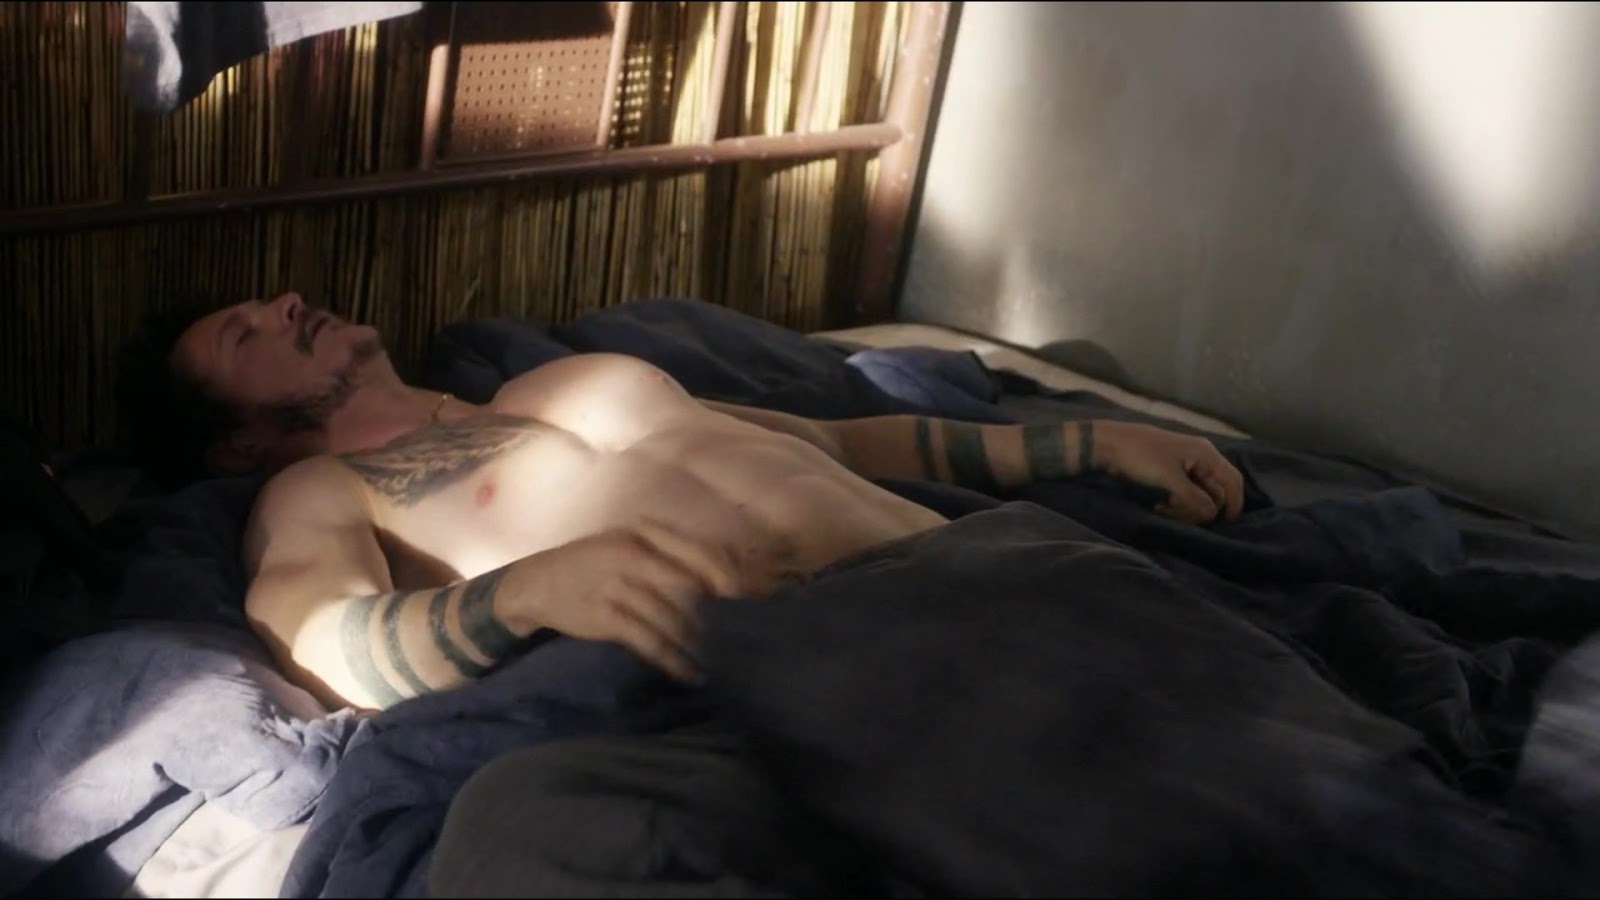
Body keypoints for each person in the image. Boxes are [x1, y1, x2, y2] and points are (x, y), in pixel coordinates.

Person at [120, 292, 1245, 712]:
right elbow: (328, 645)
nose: (286, 303)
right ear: (232, 441)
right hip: (856, 656)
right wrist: (524, 597)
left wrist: (1086, 441)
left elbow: (832, 440)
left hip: (1009, 563)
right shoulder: (317, 490)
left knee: (1312, 751)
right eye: (243, 334)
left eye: (271, 299)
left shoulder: (551, 379)